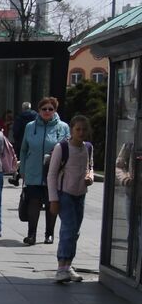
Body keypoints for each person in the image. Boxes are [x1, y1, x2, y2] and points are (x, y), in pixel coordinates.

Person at [48, 115, 95, 283]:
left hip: (80, 194)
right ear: (72, 130)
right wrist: (54, 199)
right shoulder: (62, 148)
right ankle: (61, 267)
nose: (81, 132)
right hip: (64, 194)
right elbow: (52, 174)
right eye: (78, 129)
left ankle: (68, 266)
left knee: (75, 231)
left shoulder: (88, 147)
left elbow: (90, 166)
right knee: (68, 229)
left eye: (84, 129)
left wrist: (90, 177)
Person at [19, 97, 69, 245]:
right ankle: (31, 234)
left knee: (50, 203)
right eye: (44, 109)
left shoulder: (63, 127)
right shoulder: (30, 126)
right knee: (33, 202)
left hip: (53, 173)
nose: (47, 111)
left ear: (55, 110)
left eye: (50, 109)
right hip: (33, 171)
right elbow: (23, 149)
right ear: (39, 110)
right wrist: (22, 169)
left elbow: (66, 150)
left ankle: (49, 234)